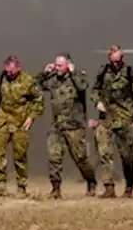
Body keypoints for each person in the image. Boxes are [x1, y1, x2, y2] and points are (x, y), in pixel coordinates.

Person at [37, 54, 96, 199]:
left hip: (74, 126)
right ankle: (56, 189)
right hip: (57, 125)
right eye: (56, 65)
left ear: (67, 66)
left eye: (60, 66)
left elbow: (83, 86)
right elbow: (37, 85)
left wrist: (73, 72)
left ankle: (91, 181)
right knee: (54, 156)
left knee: (80, 158)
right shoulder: (53, 80)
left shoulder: (77, 78)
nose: (57, 69)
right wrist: (44, 72)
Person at [90, 44, 133, 199]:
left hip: (125, 119)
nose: (115, 64)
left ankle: (129, 186)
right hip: (106, 118)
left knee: (126, 155)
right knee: (104, 152)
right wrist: (97, 102)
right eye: (112, 61)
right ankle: (109, 187)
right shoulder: (103, 72)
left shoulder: (129, 74)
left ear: (122, 59)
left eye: (118, 61)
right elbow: (94, 90)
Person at [0, 55, 44, 197]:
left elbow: (39, 99)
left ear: (19, 68)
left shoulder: (28, 80)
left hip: (20, 120)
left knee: (20, 155)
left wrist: (31, 117)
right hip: (3, 119)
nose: (9, 74)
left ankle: (21, 186)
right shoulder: (3, 77)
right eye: (7, 71)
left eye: (11, 71)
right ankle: (0, 185)